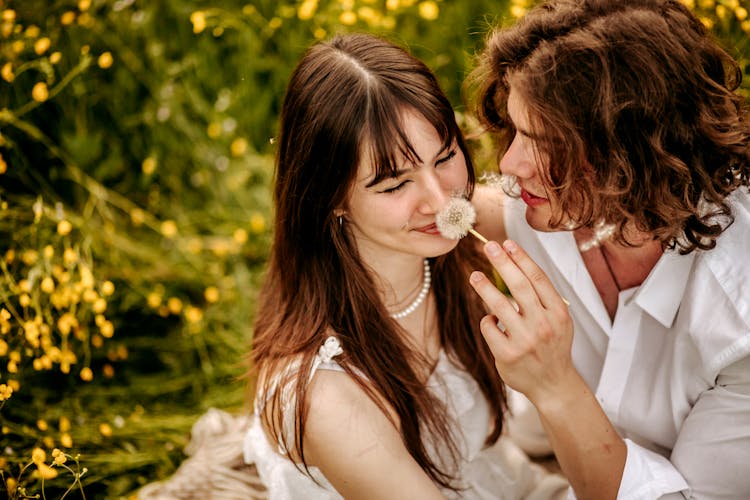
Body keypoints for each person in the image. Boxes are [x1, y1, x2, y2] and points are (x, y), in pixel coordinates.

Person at [243, 33, 568, 499]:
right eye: (395, 184)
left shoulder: (450, 238)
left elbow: (582, 213)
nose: (440, 202)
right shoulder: (325, 394)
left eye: (446, 157)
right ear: (329, 196)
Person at [466, 0, 750, 498]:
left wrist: (553, 385)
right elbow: (464, 211)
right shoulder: (559, 205)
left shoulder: (738, 318)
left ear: (630, 154)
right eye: (514, 131)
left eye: (542, 141)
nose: (510, 163)